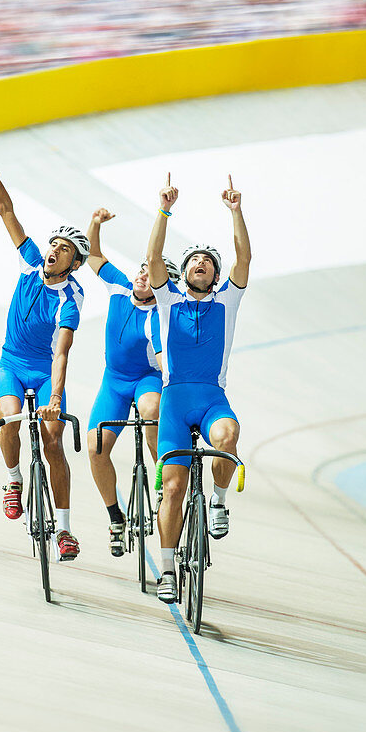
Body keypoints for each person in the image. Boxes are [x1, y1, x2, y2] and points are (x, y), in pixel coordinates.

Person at [0, 121, 87, 561]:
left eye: (64, 248)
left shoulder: (70, 297)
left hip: (45, 370)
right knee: (11, 422)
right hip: (12, 364)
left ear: (73, 263)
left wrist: (56, 398)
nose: (53, 248)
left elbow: (62, 351)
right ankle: (13, 478)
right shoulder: (31, 264)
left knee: (53, 442)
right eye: (53, 242)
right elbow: (5, 210)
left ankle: (66, 530)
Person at [146, 173, 251, 603]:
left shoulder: (228, 299)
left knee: (228, 437)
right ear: (184, 272)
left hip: (211, 398)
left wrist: (235, 210)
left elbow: (245, 256)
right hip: (174, 401)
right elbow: (153, 256)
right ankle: (168, 569)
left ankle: (221, 501)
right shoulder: (168, 299)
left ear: (216, 272)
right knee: (173, 488)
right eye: (194, 261)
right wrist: (164, 209)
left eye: (209, 260)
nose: (201, 264)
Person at [85, 207, 178, 556]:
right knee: (95, 447)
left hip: (146, 381)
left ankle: (161, 481)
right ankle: (115, 517)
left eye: (152, 273)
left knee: (152, 408)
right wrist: (94, 224)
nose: (142, 275)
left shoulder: (164, 313)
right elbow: (94, 255)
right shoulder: (119, 287)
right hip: (115, 382)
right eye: (142, 269)